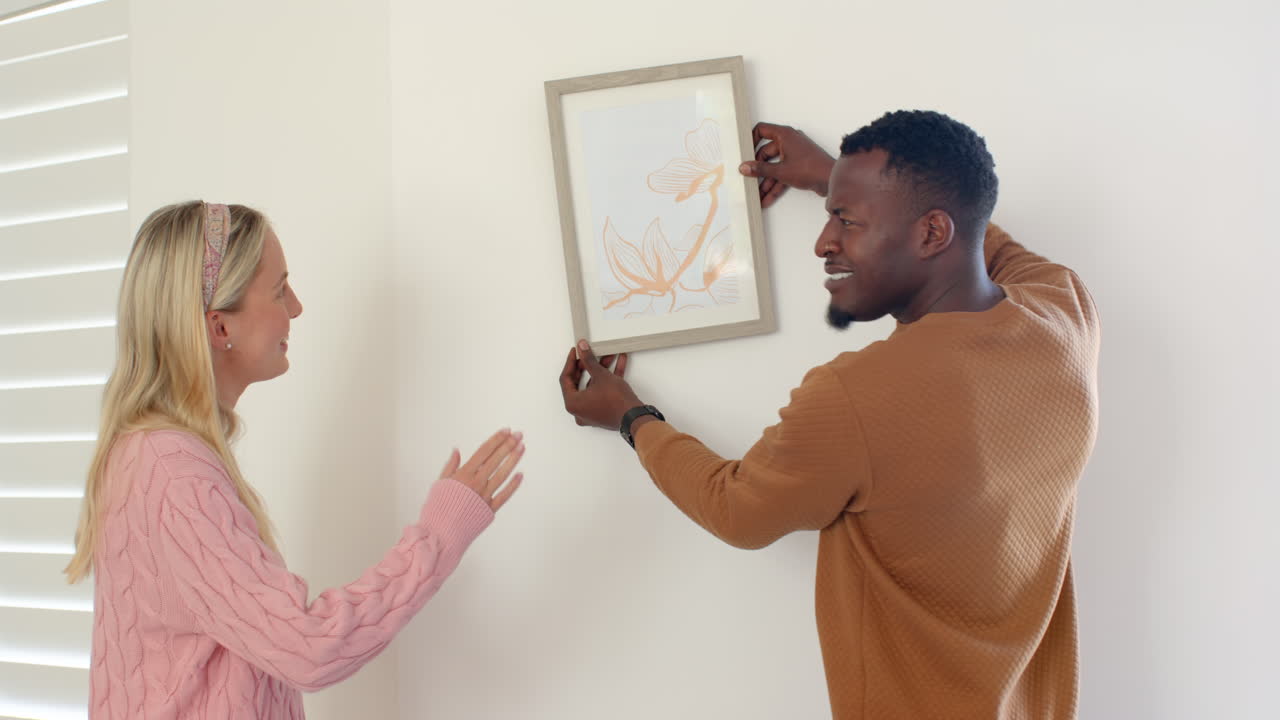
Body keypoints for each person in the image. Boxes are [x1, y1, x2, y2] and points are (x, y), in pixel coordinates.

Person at [560, 110, 1099, 719]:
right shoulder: (1063, 315)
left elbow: (735, 509)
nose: (823, 242)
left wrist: (632, 418)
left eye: (847, 221)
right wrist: (833, 179)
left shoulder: (859, 396)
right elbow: (978, 239)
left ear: (930, 234)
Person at [64, 201, 524, 718]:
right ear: (219, 328)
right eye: (280, 289)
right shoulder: (172, 472)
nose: (297, 308)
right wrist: (439, 536)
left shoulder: (151, 455)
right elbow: (307, 647)